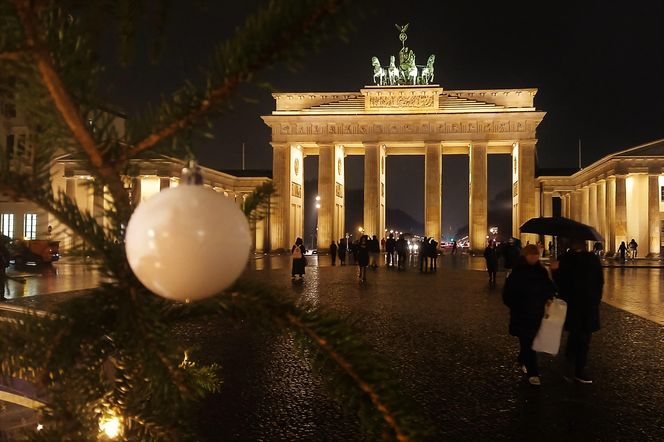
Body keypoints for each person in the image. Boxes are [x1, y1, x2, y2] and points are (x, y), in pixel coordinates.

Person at [502, 244, 556, 386]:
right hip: (522, 313)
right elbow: (507, 294)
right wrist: (516, 305)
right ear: (525, 256)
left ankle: (523, 357)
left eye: (536, 255)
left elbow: (550, 288)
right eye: (531, 255)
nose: (534, 257)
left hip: (537, 313)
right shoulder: (517, 272)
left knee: (529, 340)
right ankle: (533, 372)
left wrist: (549, 297)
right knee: (528, 341)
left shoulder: (542, 271)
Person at [552, 238, 604, 384]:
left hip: (582, 304)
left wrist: (555, 272)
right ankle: (577, 369)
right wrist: (555, 272)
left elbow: (599, 281)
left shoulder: (570, 259)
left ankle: (573, 365)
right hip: (579, 305)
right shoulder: (586, 259)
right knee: (581, 338)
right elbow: (560, 283)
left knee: (580, 337)